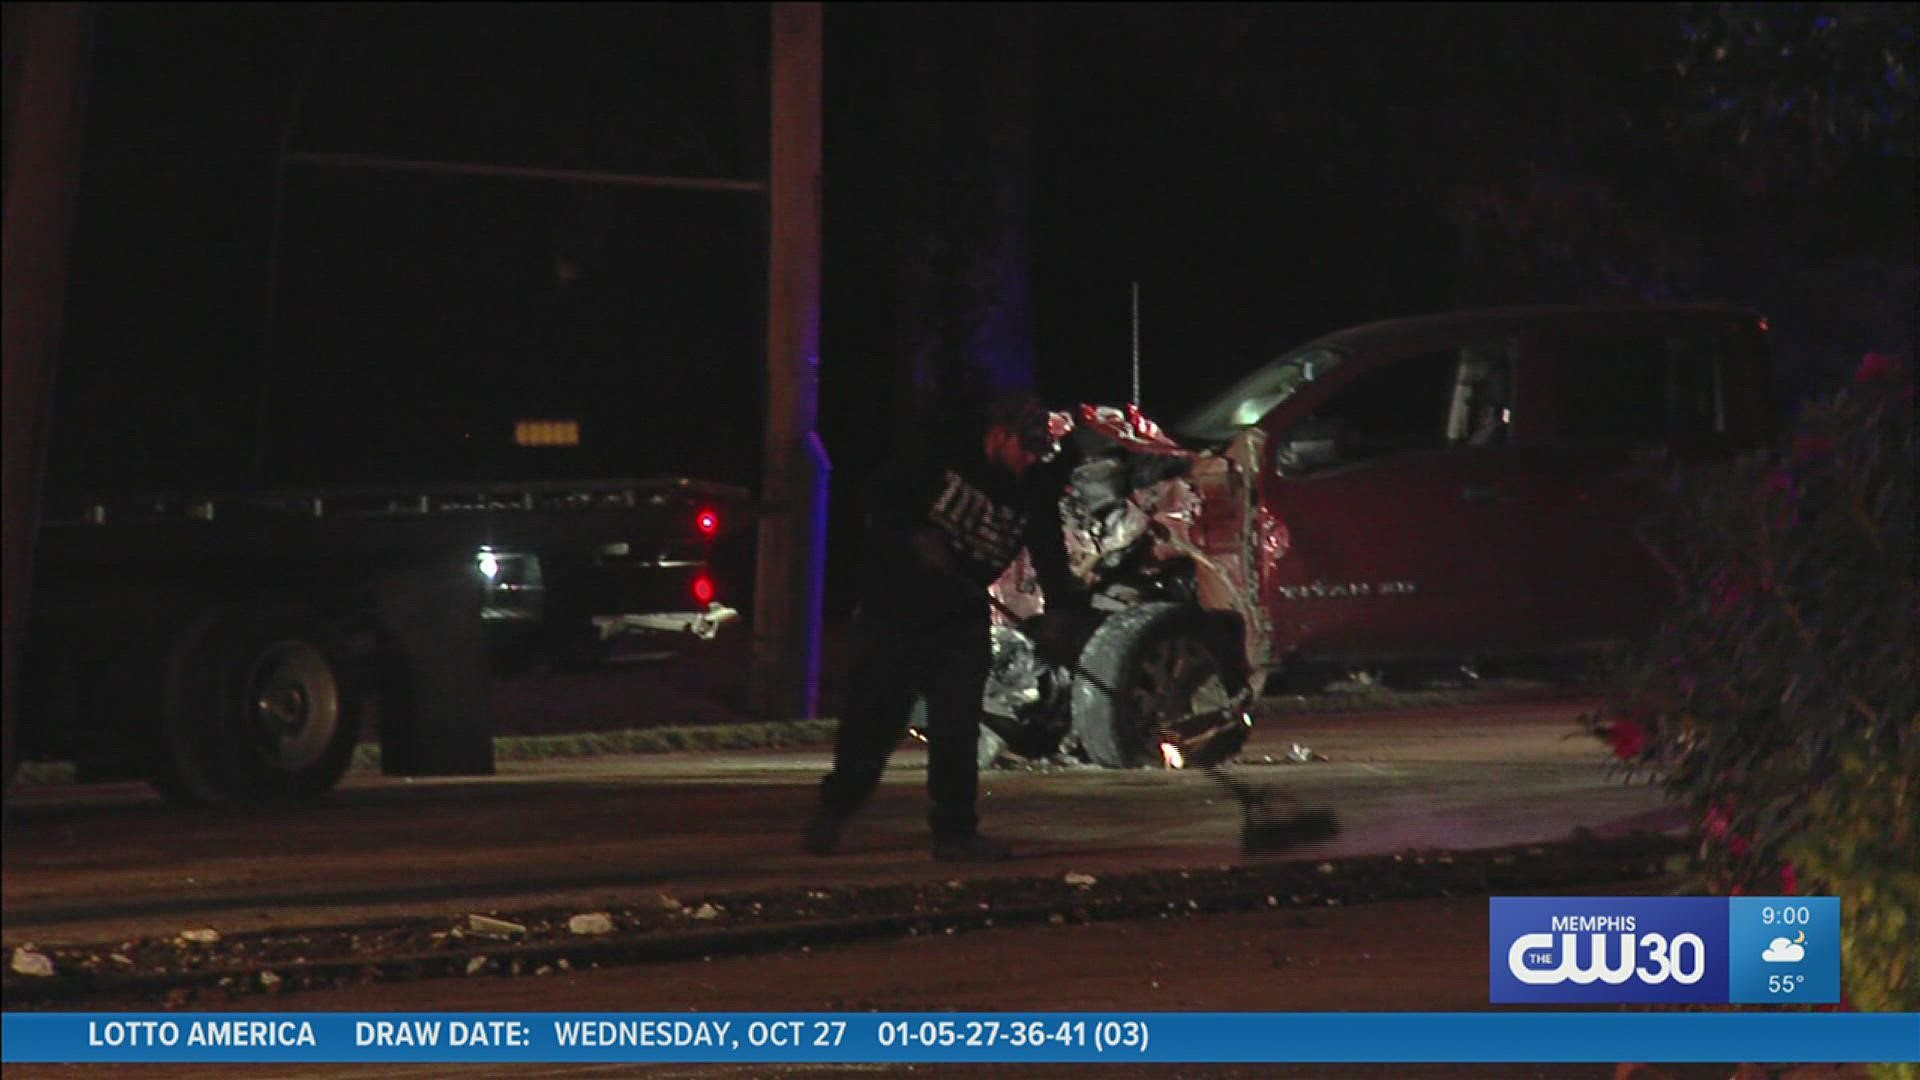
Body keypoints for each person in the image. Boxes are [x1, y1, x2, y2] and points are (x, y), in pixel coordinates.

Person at [804, 390, 1084, 862]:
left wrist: (1060, 613)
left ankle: (955, 833)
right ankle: (835, 809)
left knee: (956, 728)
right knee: (874, 724)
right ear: (999, 436)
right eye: (1025, 448)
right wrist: (916, 538)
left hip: (959, 619)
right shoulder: (941, 459)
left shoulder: (1032, 487)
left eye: (1039, 453)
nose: (1029, 461)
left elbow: (1050, 553)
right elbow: (877, 495)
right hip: (894, 612)